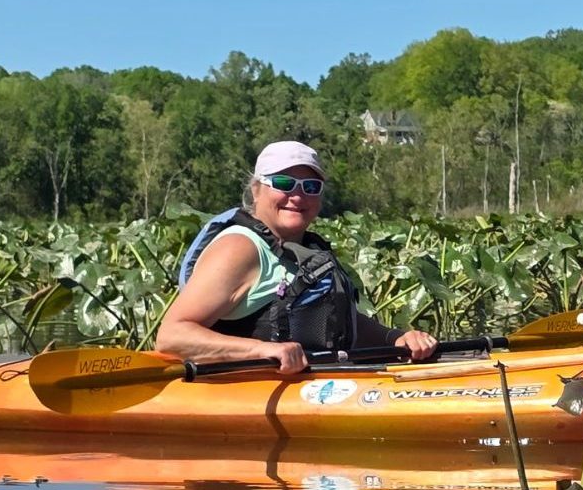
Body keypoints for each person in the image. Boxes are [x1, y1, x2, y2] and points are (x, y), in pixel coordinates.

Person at [157, 140, 438, 373]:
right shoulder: (239, 249)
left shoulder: (309, 250)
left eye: (310, 187)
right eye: (283, 183)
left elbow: (336, 323)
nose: (298, 196)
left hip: (321, 387)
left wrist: (396, 338)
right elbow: (172, 336)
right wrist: (264, 350)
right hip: (247, 395)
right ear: (256, 190)